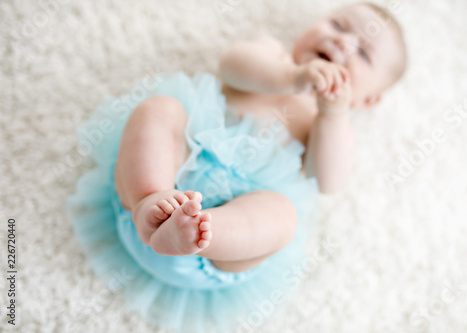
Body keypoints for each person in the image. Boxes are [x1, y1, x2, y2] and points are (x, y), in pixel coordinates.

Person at [67, 2, 406, 332]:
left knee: (282, 216)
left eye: (363, 54)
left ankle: (197, 230)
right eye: (337, 25)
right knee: (160, 109)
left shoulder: (329, 122)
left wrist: (333, 114)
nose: (343, 43)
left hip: (218, 252)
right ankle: (151, 204)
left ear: (368, 100)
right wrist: (292, 77)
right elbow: (232, 64)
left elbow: (328, 180)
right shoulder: (274, 57)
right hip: (155, 190)